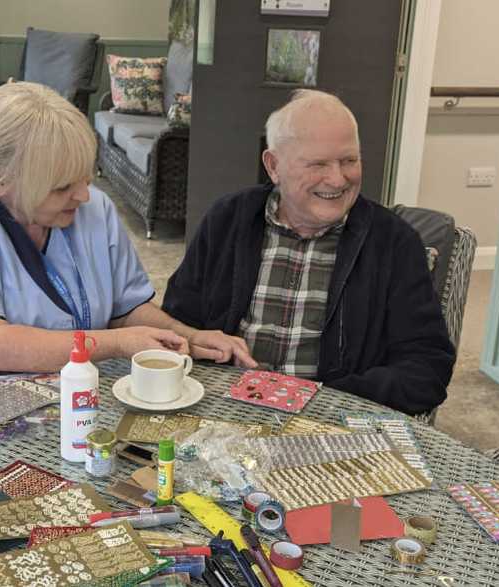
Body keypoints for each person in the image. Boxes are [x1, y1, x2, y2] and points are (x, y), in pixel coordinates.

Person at [0, 82, 252, 386]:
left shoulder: (93, 209)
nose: (83, 196)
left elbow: (125, 310)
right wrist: (114, 345)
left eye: (85, 178)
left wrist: (186, 335)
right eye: (60, 186)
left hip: (49, 395)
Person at [162, 90, 454, 415]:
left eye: (349, 160)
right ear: (274, 166)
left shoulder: (394, 243)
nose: (337, 179)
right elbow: (176, 326)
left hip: (332, 424)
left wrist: (322, 400)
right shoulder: (228, 219)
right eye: (318, 164)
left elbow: (427, 368)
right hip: (224, 411)